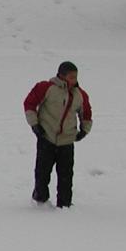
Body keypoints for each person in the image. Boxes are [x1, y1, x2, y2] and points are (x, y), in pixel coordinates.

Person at [24, 60, 93, 208]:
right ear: (61, 76)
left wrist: (85, 130)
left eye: (76, 77)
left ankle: (65, 204)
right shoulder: (46, 87)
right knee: (42, 172)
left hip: (67, 141)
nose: (74, 80)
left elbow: (86, 112)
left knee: (66, 175)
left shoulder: (80, 95)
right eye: (71, 77)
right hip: (46, 137)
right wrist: (35, 125)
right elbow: (29, 103)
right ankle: (40, 201)